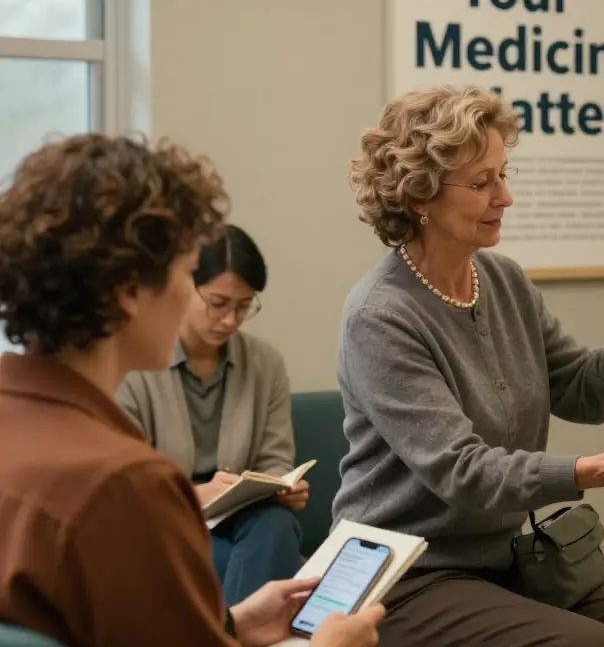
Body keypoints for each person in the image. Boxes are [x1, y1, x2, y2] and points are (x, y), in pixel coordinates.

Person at [333, 84, 604, 647]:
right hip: (403, 571)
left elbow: (582, 392)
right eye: (481, 183)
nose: (506, 197)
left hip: (498, 558)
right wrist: (594, 470)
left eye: (504, 174)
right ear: (418, 198)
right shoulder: (380, 317)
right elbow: (464, 473)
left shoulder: (503, 281)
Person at [0, 134, 382, 646]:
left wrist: (231, 625)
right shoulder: (125, 484)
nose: (194, 301)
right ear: (130, 292)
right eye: (185, 275)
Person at [116, 224, 306, 605]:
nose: (231, 320)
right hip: (165, 525)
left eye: (244, 305)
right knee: (272, 554)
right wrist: (196, 495)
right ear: (184, 287)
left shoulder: (264, 363)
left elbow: (274, 459)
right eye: (218, 303)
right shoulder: (133, 364)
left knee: (278, 521)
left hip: (243, 522)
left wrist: (280, 486)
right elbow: (126, 488)